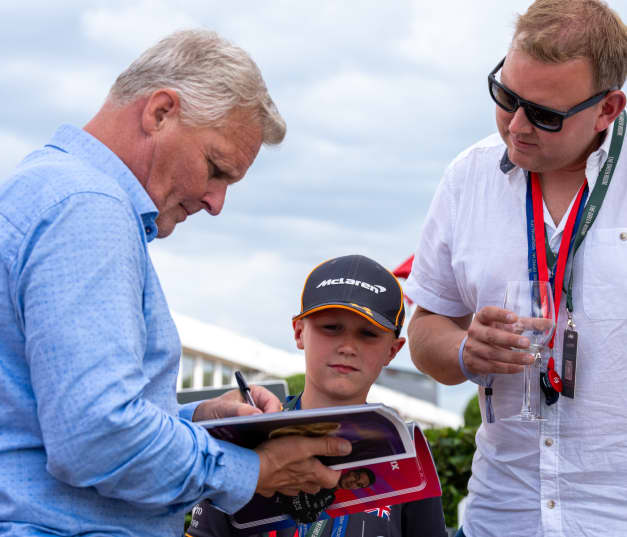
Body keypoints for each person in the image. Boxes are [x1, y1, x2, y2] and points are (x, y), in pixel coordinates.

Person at [0, 30, 352, 537]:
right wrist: (252, 471)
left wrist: (197, 419)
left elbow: (53, 421)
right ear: (161, 111)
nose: (216, 202)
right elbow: (94, 439)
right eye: (215, 169)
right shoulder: (89, 211)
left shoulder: (48, 188)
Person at [404, 1, 627, 536]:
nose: (516, 126)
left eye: (545, 114)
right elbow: (425, 331)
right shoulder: (467, 176)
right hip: (500, 514)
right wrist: (463, 350)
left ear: (608, 109)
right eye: (505, 97)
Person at [188, 254, 448, 537]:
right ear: (299, 332)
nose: (348, 346)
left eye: (368, 334)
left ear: (393, 350)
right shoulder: (246, 436)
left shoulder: (406, 449)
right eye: (331, 328)